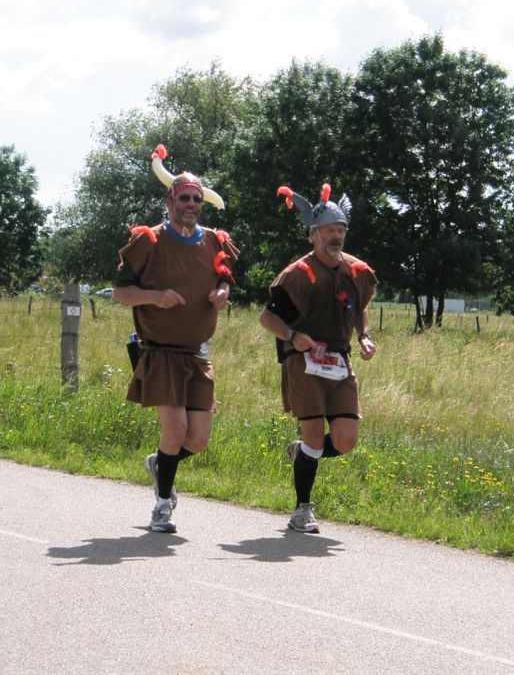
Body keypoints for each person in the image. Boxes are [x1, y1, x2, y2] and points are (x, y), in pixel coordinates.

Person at [113, 144, 238, 533]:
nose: (191, 203)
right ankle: (162, 506)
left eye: (197, 198)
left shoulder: (215, 242)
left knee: (197, 439)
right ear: (170, 200)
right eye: (183, 197)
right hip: (159, 352)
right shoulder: (149, 241)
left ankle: (159, 464)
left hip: (197, 354)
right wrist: (154, 297)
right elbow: (120, 292)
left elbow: (223, 277)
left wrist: (222, 293)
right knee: (176, 430)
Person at [258, 183, 377, 533]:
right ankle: (302, 510)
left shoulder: (356, 271)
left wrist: (365, 336)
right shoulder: (297, 274)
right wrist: (294, 335)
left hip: (339, 361)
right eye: (328, 230)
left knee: (345, 439)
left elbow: (361, 310)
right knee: (313, 437)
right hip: (304, 363)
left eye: (340, 230)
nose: (335, 236)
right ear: (314, 235)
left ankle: (302, 456)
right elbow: (267, 318)